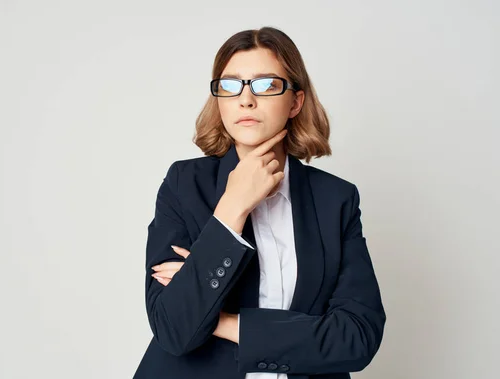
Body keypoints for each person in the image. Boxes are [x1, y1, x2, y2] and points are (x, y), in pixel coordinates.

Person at [133, 26, 386, 379]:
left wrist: (221, 321)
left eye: (266, 85)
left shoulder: (336, 199)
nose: (246, 100)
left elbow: (357, 338)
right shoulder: (184, 184)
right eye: (230, 85)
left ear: (295, 101)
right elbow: (174, 330)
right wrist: (231, 209)